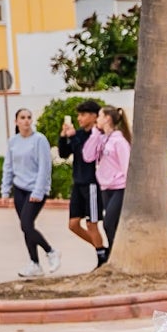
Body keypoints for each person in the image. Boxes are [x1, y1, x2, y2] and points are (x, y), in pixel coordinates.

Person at [0, 107, 59, 278]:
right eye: (22, 117)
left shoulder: (39, 140)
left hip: (36, 190)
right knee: (28, 228)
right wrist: (5, 190)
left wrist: (38, 191)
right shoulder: (13, 142)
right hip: (20, 189)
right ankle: (35, 264)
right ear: (16, 121)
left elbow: (44, 168)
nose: (26, 121)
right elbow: (8, 167)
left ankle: (51, 251)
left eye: (29, 117)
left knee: (25, 224)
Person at [57, 99, 107, 263]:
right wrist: (63, 137)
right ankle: (103, 250)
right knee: (73, 225)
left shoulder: (98, 135)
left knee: (92, 224)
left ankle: (101, 258)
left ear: (94, 116)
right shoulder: (77, 134)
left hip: (92, 184)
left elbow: (88, 155)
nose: (79, 118)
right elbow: (64, 153)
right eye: (78, 114)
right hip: (78, 183)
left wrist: (74, 138)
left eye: (83, 114)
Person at [81, 105, 131, 262]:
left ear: (108, 118)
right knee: (112, 224)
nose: (97, 119)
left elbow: (126, 165)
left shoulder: (119, 141)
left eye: (100, 116)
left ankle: (116, 256)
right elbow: (87, 156)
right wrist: (95, 134)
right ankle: (117, 257)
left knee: (109, 223)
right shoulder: (102, 139)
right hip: (105, 187)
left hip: (119, 188)